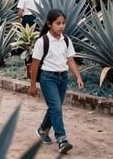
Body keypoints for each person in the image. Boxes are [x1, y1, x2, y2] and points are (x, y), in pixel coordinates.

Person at [29, 9, 84, 155]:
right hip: (48, 78)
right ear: (49, 24)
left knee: (55, 107)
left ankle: (42, 130)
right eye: (58, 23)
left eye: (63, 23)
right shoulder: (42, 41)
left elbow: (70, 60)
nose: (61, 26)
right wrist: (33, 85)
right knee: (56, 108)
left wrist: (78, 76)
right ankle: (61, 139)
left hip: (63, 78)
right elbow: (35, 65)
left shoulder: (66, 39)